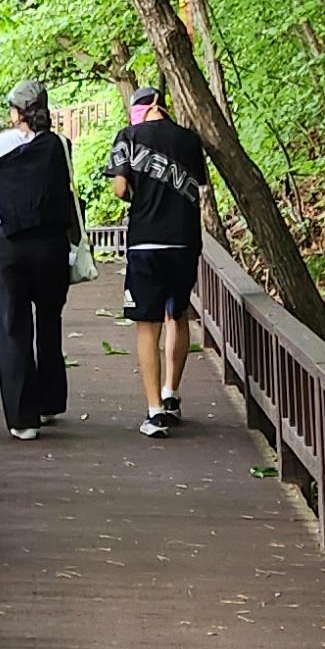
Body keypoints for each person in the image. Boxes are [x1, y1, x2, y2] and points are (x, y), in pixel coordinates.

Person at [106, 74, 210, 436]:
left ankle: (153, 412)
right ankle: (171, 393)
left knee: (146, 326)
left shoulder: (128, 137)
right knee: (176, 315)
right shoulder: (188, 138)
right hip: (183, 240)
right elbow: (198, 183)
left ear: (140, 110)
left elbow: (120, 189)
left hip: (146, 242)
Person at [0, 77, 75, 438]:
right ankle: (49, 401)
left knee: (13, 324)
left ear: (16, 111)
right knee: (49, 319)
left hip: (11, 244)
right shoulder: (60, 144)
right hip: (51, 244)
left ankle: (23, 419)